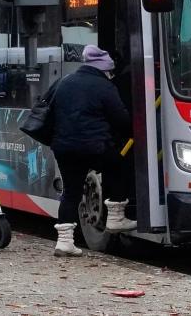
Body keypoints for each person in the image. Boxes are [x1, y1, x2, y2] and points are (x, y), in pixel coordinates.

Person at [50, 45, 135, 256]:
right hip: (93, 146)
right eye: (110, 71)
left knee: (71, 191)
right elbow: (122, 120)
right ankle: (115, 218)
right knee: (117, 165)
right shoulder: (104, 86)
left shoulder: (64, 82)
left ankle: (64, 243)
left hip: (64, 147)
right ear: (104, 69)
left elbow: (49, 112)